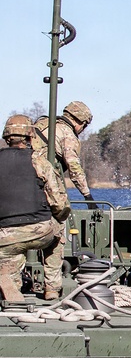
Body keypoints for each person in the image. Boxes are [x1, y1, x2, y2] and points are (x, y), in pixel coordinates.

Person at [0, 115, 71, 303]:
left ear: (7, 137)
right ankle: (52, 288)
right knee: (58, 231)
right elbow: (59, 202)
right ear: (30, 137)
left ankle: (12, 290)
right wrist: (59, 216)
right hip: (40, 231)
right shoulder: (38, 161)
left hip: (6, 236)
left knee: (9, 260)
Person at [32, 100, 97, 209]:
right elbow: (74, 168)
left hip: (24, 174)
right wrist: (87, 196)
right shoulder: (68, 135)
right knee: (61, 208)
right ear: (80, 122)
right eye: (84, 126)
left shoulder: (43, 124)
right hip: (42, 177)